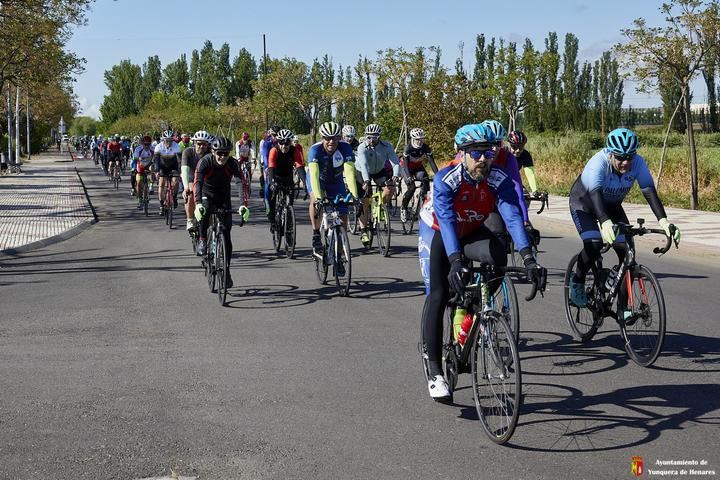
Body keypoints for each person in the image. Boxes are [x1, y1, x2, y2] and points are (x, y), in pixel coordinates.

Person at [418, 123, 546, 400]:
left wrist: (528, 258)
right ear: (461, 153)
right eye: (475, 153)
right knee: (438, 295)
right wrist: (455, 260)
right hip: (438, 232)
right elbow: (448, 222)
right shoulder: (446, 179)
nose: (482, 159)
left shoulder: (497, 178)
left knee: (498, 254)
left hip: (471, 229)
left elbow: (512, 217)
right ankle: (435, 370)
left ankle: (472, 310)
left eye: (488, 152)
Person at [568, 128, 681, 307]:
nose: (625, 162)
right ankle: (577, 283)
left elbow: (650, 192)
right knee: (594, 244)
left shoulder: (638, 163)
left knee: (627, 253)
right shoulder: (598, 163)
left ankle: (623, 308)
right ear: (610, 153)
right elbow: (595, 194)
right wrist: (604, 223)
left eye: (630, 157)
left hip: (612, 207)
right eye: (620, 157)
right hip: (585, 204)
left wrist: (664, 221)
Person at [194, 136, 241, 288]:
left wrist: (243, 205)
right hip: (207, 194)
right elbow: (198, 182)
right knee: (205, 210)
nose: (222, 157)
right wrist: (198, 203)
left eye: (226, 154)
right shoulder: (205, 162)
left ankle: (226, 271)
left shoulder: (233, 163)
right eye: (219, 153)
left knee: (227, 233)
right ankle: (202, 239)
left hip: (223, 196)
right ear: (213, 152)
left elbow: (241, 183)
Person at [306, 121, 359, 255]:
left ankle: (340, 251)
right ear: (322, 138)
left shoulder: (345, 148)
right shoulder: (315, 150)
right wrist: (318, 198)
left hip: (336, 181)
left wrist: (354, 195)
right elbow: (314, 175)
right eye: (327, 138)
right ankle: (316, 233)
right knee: (315, 201)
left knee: (343, 213)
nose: (331, 141)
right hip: (319, 180)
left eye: (335, 138)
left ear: (339, 137)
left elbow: (349, 173)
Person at [354, 123, 400, 245]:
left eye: (374, 137)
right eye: (369, 137)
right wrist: (366, 181)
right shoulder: (362, 147)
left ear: (379, 136)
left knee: (390, 189)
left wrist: (395, 175)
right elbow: (363, 165)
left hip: (379, 170)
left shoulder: (387, 146)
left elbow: (395, 162)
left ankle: (379, 206)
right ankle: (363, 230)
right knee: (364, 199)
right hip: (363, 172)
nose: (371, 140)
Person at [400, 127, 438, 222]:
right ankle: (403, 208)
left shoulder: (425, 147)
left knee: (425, 179)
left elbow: (432, 162)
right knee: (411, 187)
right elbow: (406, 165)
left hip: (417, 168)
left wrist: (438, 175)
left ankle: (421, 198)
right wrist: (409, 177)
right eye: (417, 139)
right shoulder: (408, 148)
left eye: (421, 139)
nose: (420, 141)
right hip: (406, 168)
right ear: (412, 139)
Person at [181, 130, 213, 231]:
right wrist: (185, 187)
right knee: (190, 194)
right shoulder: (188, 152)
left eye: (204, 144)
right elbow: (184, 171)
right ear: (194, 143)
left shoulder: (211, 153)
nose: (201, 147)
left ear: (208, 145)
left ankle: (211, 231)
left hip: (206, 180)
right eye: (199, 144)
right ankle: (190, 220)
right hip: (192, 178)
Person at [153, 130, 182, 214]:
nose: (168, 142)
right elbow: (156, 161)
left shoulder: (176, 146)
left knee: (176, 181)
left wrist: (180, 171)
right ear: (163, 139)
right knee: (161, 184)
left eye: (170, 140)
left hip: (173, 167)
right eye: (166, 140)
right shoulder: (158, 147)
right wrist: (157, 171)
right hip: (162, 167)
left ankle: (175, 197)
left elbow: (179, 161)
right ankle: (161, 205)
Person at [507, 130, 538, 194]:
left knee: (525, 195)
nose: (518, 150)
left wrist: (534, 190)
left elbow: (530, 174)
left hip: (514, 179)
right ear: (510, 145)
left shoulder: (525, 155)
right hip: (498, 179)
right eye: (515, 147)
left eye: (521, 147)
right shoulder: (504, 152)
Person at [133, 136, 155, 208]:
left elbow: (155, 159)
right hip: (141, 166)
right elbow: (135, 159)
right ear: (142, 143)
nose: (147, 146)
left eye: (148, 144)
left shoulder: (153, 149)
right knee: (139, 183)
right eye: (145, 144)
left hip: (149, 165)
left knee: (153, 169)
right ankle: (140, 200)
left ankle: (151, 186)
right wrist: (133, 168)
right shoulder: (138, 149)